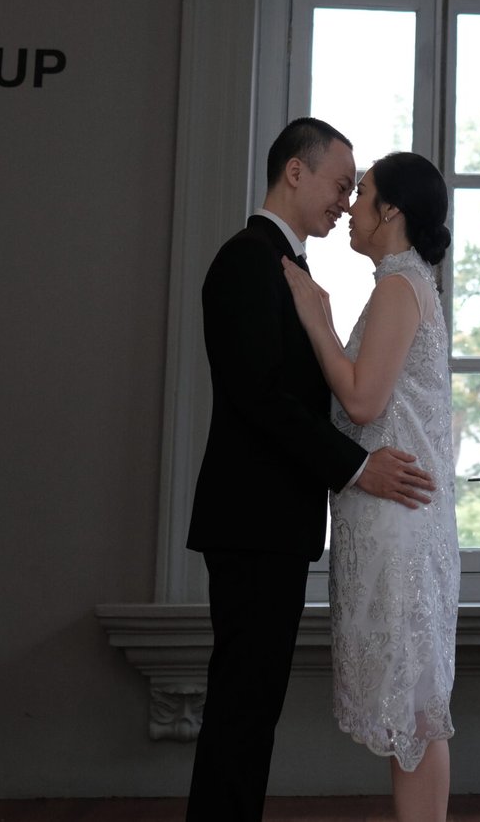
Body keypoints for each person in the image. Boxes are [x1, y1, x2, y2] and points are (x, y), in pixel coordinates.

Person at [185, 118, 437, 822]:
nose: (346, 200)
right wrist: (358, 468)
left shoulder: (288, 268)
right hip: (253, 521)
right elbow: (260, 396)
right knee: (242, 706)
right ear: (295, 171)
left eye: (358, 190)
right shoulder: (247, 260)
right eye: (340, 184)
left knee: (252, 706)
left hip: (274, 523)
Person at [280, 150, 459, 822]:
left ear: (391, 211)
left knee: (413, 713)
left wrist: (315, 315)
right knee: (415, 710)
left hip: (397, 524)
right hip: (395, 519)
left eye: (363, 195)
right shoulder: (408, 283)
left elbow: (362, 400)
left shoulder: (399, 286)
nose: (351, 207)